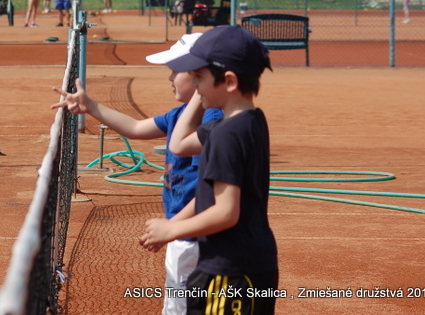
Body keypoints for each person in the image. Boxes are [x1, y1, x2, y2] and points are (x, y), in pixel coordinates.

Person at [51, 34, 223, 315]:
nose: (170, 78)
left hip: (196, 237)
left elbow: (211, 191)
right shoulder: (180, 115)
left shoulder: (211, 120)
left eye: (175, 71)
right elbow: (135, 127)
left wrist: (172, 227)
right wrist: (90, 106)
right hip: (182, 234)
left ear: (200, 75)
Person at [139, 25, 278, 315]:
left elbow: (226, 212)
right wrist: (199, 95)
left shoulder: (227, 134)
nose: (194, 84)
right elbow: (178, 144)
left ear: (229, 81)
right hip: (241, 265)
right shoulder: (247, 121)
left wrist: (172, 229)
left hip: (233, 273)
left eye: (199, 77)